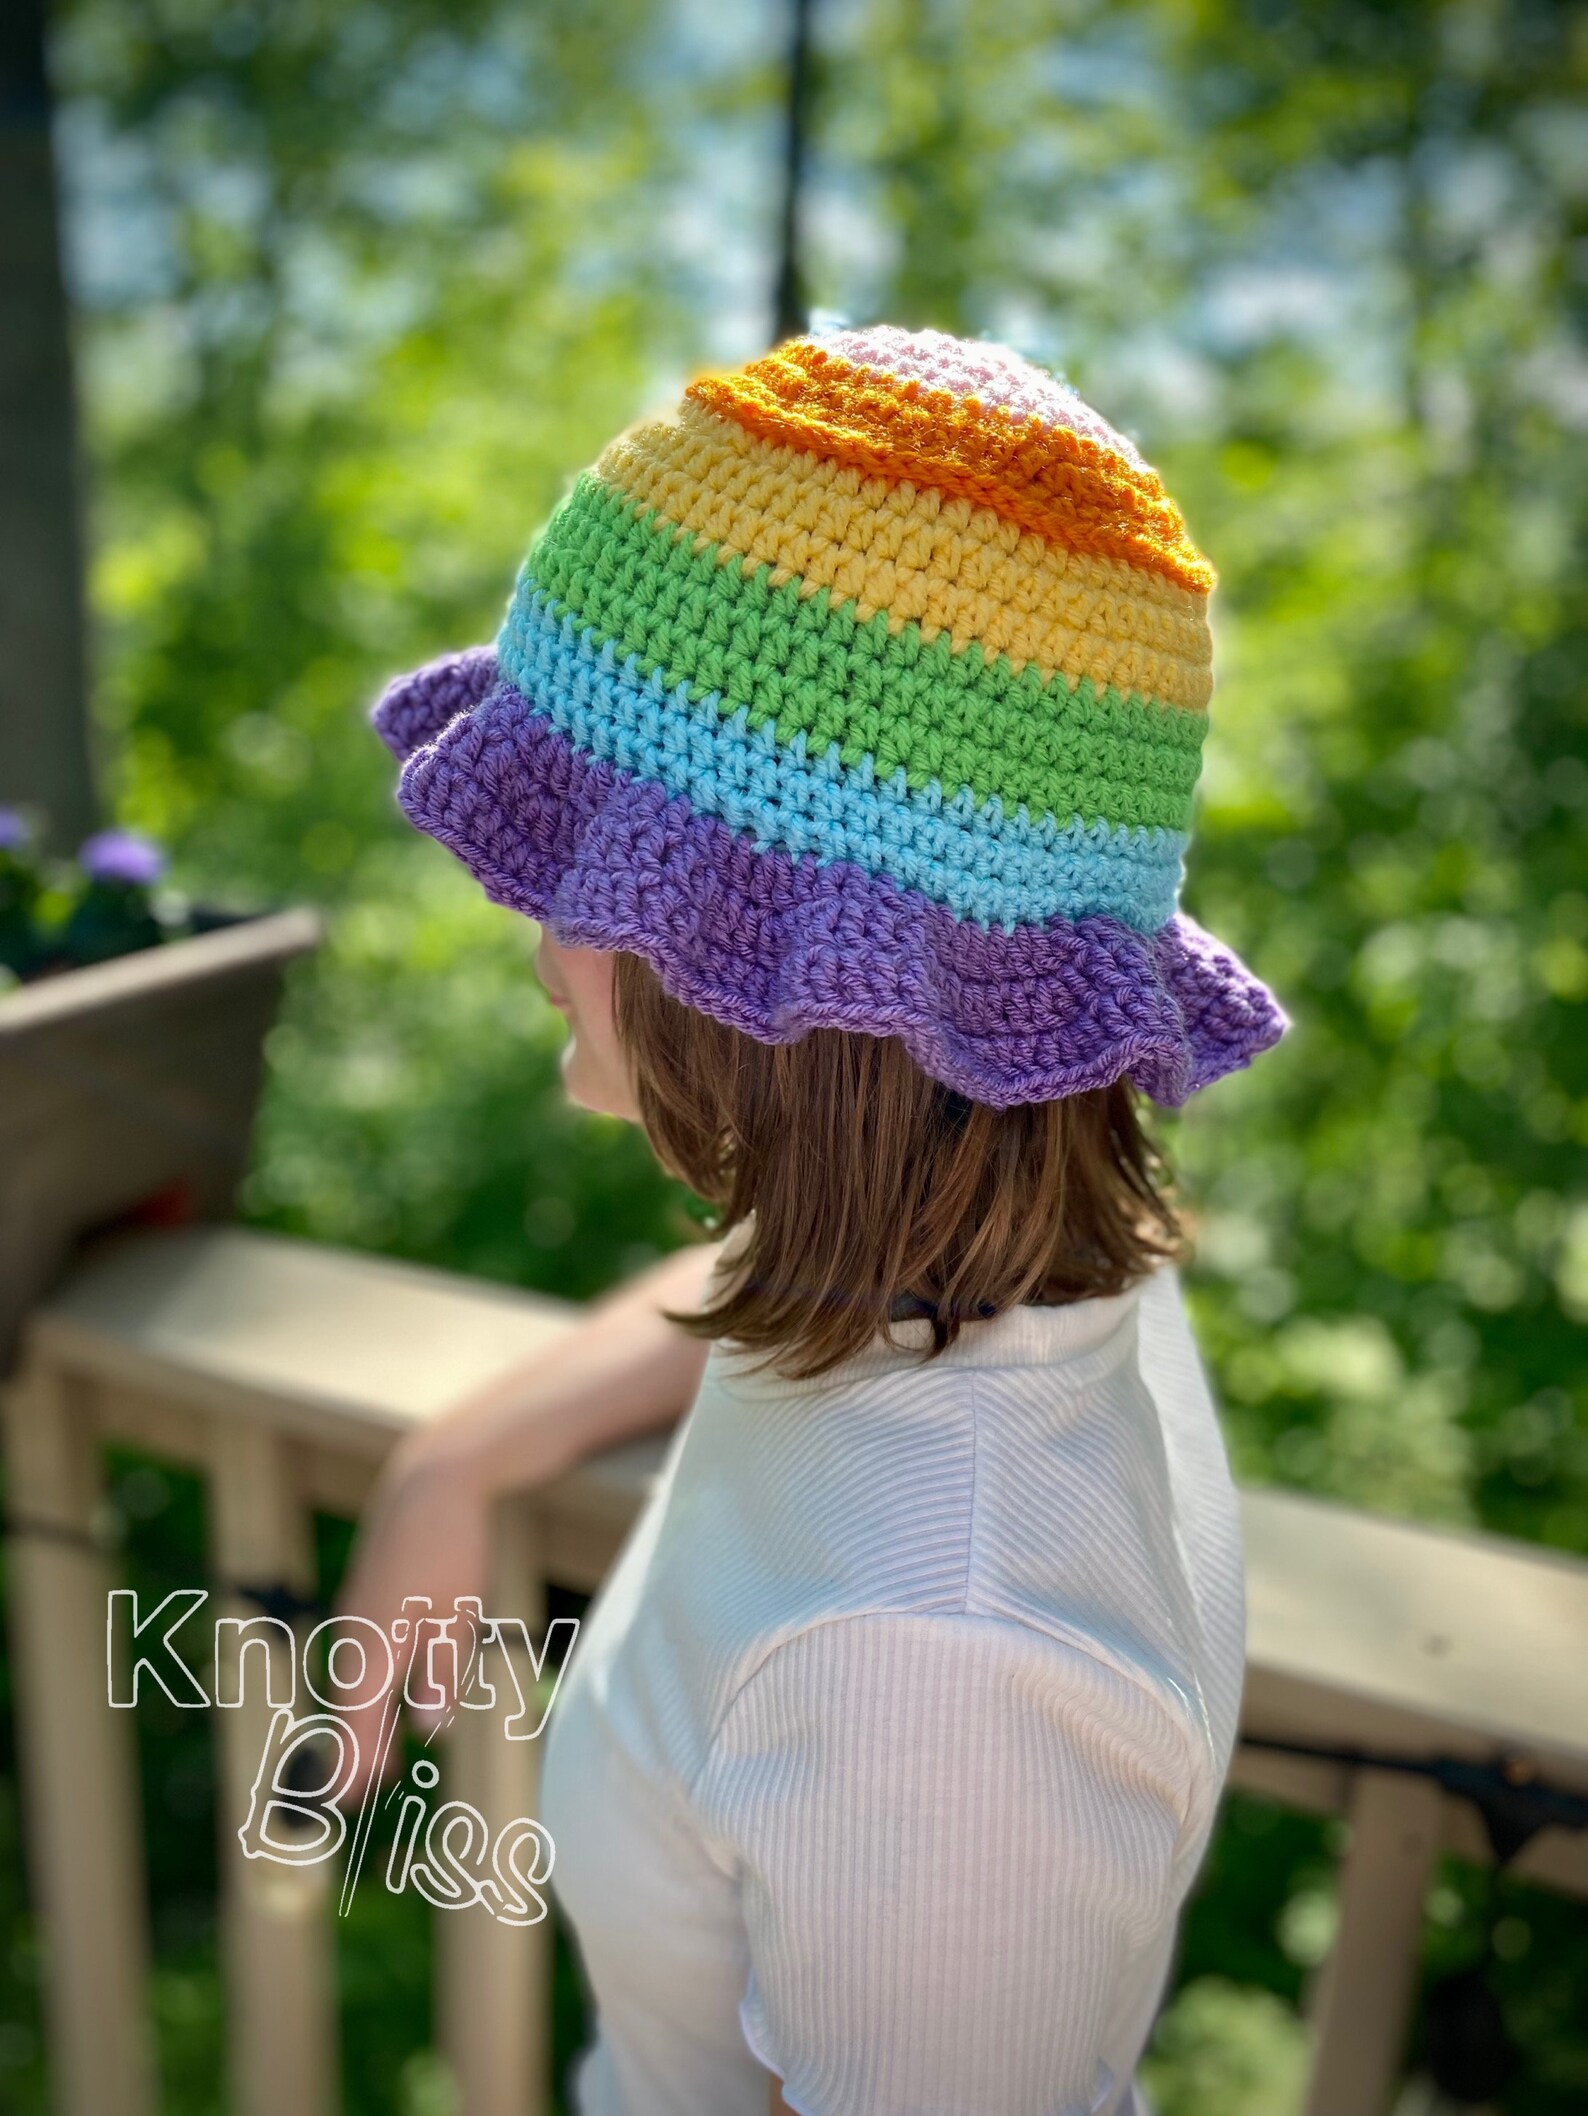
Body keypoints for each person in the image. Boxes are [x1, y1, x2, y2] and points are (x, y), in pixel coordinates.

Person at [340, 322, 1291, 2116]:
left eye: (597, 870)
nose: (542, 932)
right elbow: (776, 1269)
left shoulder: (935, 1670)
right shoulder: (995, 1271)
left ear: (792, 978)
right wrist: (461, 1461)